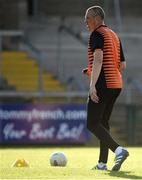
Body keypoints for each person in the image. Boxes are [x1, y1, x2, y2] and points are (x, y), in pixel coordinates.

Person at [82, 6, 129, 171]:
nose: (85, 22)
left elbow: (99, 59)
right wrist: (91, 71)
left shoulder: (97, 34)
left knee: (92, 123)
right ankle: (102, 164)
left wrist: (93, 85)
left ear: (96, 18)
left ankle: (119, 150)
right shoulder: (114, 35)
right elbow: (122, 65)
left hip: (103, 84)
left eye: (87, 18)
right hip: (116, 85)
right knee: (103, 123)